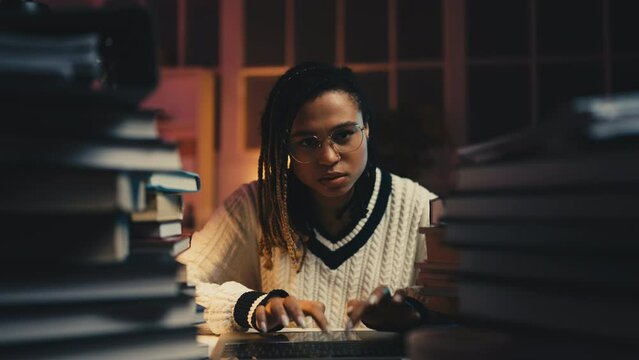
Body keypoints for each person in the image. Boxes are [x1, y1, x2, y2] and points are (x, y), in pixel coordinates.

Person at [177, 62, 438, 335]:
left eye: (343, 135)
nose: (328, 157)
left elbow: (468, 308)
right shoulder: (255, 205)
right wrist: (251, 307)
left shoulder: (420, 209)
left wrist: (416, 315)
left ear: (367, 128)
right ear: (285, 147)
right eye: (307, 142)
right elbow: (172, 289)